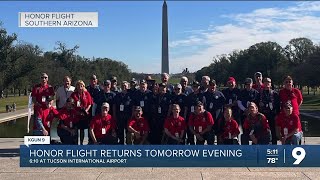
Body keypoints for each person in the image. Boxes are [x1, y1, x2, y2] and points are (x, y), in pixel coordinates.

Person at [70, 80, 93, 145]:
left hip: (85, 114)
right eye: (78, 85)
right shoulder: (73, 94)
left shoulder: (86, 93)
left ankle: (82, 143)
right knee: (76, 129)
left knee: (82, 130)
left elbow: (90, 104)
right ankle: (76, 144)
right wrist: (77, 112)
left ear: (83, 86)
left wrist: (86, 110)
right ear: (76, 86)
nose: (80, 87)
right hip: (76, 114)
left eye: (81, 86)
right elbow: (71, 105)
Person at [258, 77, 280, 144]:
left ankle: (273, 148)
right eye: (265, 82)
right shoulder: (259, 93)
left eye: (269, 82)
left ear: (270, 84)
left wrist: (277, 115)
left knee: (273, 132)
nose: (267, 83)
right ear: (263, 83)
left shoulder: (275, 94)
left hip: (272, 115)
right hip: (262, 115)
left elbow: (278, 105)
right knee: (262, 131)